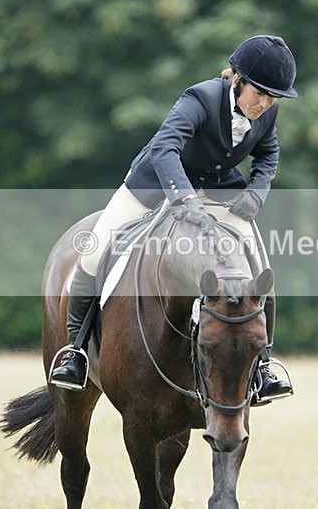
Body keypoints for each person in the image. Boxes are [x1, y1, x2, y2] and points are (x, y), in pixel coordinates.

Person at [51, 35, 296, 404]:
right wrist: (182, 197)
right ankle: (75, 352)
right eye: (259, 93)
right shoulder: (199, 98)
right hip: (154, 185)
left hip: (218, 193)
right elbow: (166, 147)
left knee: (259, 268)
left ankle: (262, 363)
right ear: (236, 80)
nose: (264, 103)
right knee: (94, 251)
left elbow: (268, 155)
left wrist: (256, 193)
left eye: (272, 97)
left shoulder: (268, 111)